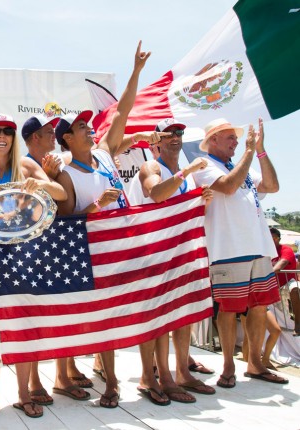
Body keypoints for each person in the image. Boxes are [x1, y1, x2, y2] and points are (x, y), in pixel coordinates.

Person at [54, 41, 150, 408]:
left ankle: (128, 378)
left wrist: (136, 72)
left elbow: (123, 111)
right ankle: (107, 383)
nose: (90, 130)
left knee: (123, 316)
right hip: (91, 254)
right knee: (98, 321)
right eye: (81, 127)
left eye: (89, 125)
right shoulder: (65, 176)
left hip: (122, 247)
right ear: (67, 137)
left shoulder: (104, 154)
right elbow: (62, 222)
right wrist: (94, 207)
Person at [0, 113, 67, 421]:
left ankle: (23, 394)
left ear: (14, 136)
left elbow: (60, 195)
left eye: (7, 130)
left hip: (24, 258)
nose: (1, 135)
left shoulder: (26, 167)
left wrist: (41, 185)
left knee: (22, 326)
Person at [191, 118, 288, 387]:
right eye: (230, 137)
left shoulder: (240, 164)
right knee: (229, 309)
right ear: (213, 140)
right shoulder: (204, 165)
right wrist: (247, 152)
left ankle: (255, 364)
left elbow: (271, 186)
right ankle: (228, 365)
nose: (236, 141)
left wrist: (260, 150)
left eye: (236, 138)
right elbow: (228, 186)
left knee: (259, 307)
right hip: (228, 249)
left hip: (258, 248)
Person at [126, 118, 216, 404]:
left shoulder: (185, 175)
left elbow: (181, 208)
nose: (175, 137)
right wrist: (187, 173)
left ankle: (180, 373)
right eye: (168, 133)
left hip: (179, 251)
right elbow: (157, 193)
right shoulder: (151, 166)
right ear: (156, 141)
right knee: (156, 317)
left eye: (179, 132)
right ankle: (153, 376)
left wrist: (201, 200)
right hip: (151, 252)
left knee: (181, 315)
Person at [21, 114, 91, 404]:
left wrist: (50, 175)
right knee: (35, 315)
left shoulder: (53, 163)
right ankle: (36, 380)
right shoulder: (23, 164)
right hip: (32, 249)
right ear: (35, 137)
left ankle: (64, 373)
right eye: (50, 132)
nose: (55, 137)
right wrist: (48, 176)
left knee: (63, 312)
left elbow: (64, 202)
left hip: (58, 246)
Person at [270, 227, 300, 337]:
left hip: (288, 282)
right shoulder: (266, 252)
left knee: (295, 289)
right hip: (273, 286)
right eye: (269, 237)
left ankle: (298, 324)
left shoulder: (286, 249)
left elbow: (280, 265)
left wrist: (266, 274)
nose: (271, 240)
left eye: (274, 237)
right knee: (282, 315)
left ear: (279, 238)